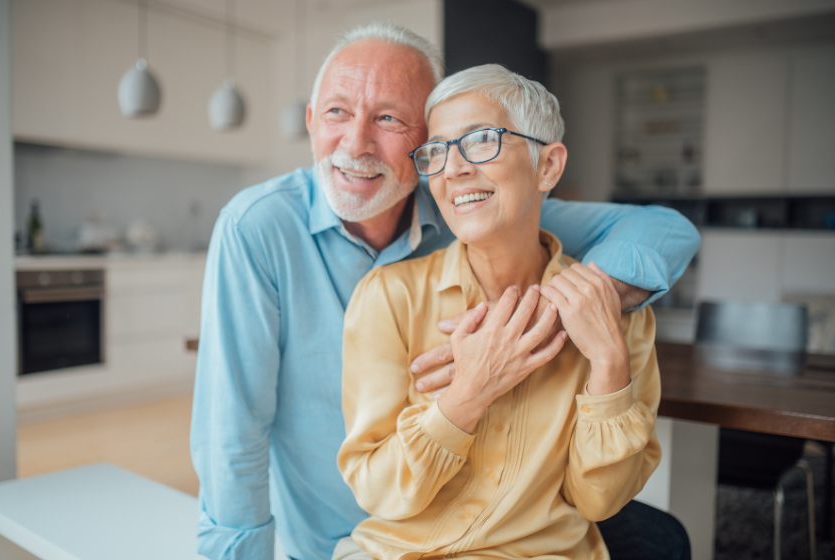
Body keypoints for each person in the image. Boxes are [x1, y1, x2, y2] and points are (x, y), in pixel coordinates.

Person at [190, 22, 698, 560]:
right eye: (337, 112)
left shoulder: (471, 202)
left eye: (389, 118)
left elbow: (666, 230)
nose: (356, 142)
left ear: (418, 145)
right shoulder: (261, 228)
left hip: (516, 525)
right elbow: (232, 432)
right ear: (312, 122)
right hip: (356, 532)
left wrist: (547, 319)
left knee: (661, 540)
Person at [336, 63, 661, 560]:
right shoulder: (388, 296)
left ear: (548, 166)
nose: (455, 168)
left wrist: (610, 369)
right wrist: (467, 394)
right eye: (438, 151)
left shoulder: (617, 313)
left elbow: (599, 501)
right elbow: (376, 488)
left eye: (482, 140)